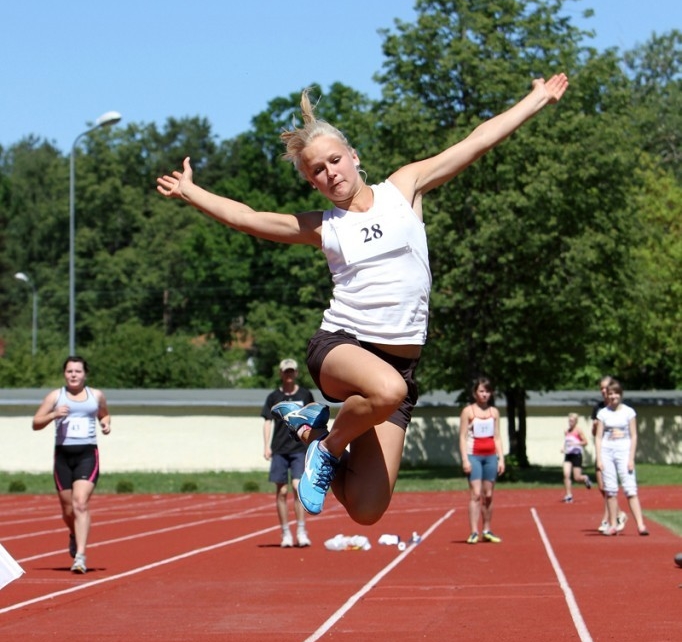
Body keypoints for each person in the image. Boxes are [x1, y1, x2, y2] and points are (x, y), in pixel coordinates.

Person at [157, 73, 569, 525]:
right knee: (386, 389)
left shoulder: (404, 188)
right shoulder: (324, 227)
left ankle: (312, 428)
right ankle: (327, 446)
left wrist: (535, 100)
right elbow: (248, 218)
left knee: (367, 507)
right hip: (343, 348)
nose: (330, 172)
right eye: (317, 170)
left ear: (353, 156)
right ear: (312, 182)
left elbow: (475, 142)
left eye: (335, 160)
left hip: (399, 368)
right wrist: (190, 191)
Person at [32, 356, 111, 574]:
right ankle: (74, 534)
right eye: (69, 371)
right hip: (63, 457)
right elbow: (35, 423)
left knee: (80, 503)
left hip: (87, 454)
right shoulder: (55, 396)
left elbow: (104, 415)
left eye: (77, 371)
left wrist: (105, 424)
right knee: (68, 510)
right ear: (64, 374)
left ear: (85, 374)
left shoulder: (96, 396)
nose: (73, 375)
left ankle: (80, 557)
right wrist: (54, 414)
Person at [261, 358, 314, 548]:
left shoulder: (305, 394)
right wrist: (266, 446)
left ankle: (301, 530)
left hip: (299, 449)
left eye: (292, 371)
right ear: (281, 374)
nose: (289, 375)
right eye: (286, 372)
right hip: (280, 450)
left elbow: (313, 420)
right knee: (282, 491)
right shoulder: (274, 397)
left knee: (297, 487)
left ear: (296, 373)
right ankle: (285, 533)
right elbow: (267, 421)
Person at [594, 379, 649, 536]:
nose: (613, 397)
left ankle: (640, 524)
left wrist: (631, 458)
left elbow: (634, 435)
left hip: (624, 452)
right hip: (607, 452)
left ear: (621, 394)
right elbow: (598, 437)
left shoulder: (629, 412)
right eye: (610, 394)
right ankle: (612, 524)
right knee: (610, 490)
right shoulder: (603, 413)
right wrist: (599, 458)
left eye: (616, 393)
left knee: (630, 489)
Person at [459, 376, 505, 543]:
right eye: (481, 391)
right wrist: (465, 459)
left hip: (490, 456)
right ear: (474, 393)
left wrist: (501, 459)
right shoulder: (468, 411)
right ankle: (473, 531)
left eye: (487, 391)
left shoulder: (494, 413)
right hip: (474, 456)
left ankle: (487, 529)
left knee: (489, 494)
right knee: (476, 494)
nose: (484, 394)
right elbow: (463, 437)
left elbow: (497, 437)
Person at [591, 376, 627, 533]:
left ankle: (607, 520)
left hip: (615, 451)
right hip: (602, 450)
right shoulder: (598, 408)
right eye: (601, 388)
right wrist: (595, 426)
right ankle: (619, 514)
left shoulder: (621, 408)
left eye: (606, 388)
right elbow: (595, 434)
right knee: (602, 486)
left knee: (608, 487)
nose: (603, 391)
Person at [561, 413, 592, 502]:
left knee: (577, 477)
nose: (570, 422)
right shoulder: (566, 431)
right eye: (569, 420)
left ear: (576, 422)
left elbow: (585, 442)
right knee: (566, 474)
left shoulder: (578, 431)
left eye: (572, 421)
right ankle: (568, 495)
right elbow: (566, 442)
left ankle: (585, 478)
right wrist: (563, 448)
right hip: (568, 455)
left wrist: (576, 444)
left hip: (576, 455)